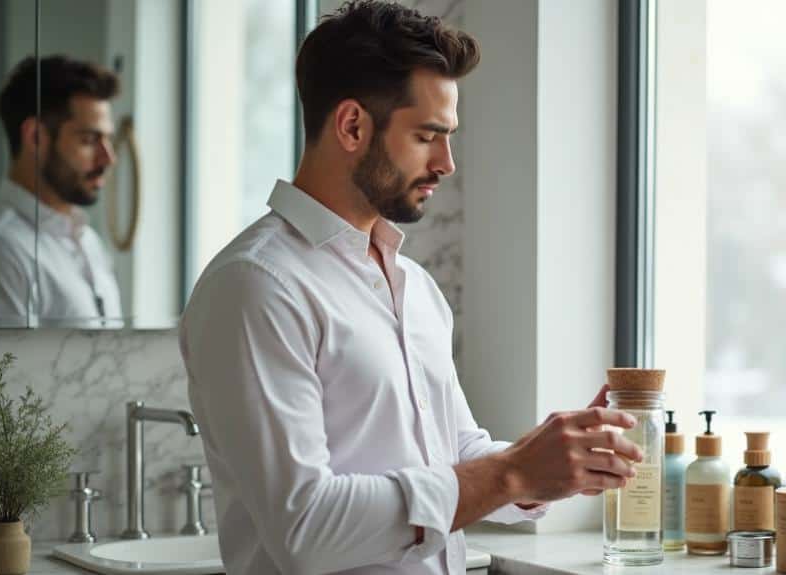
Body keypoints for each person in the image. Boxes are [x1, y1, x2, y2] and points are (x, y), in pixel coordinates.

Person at [179, 2, 642, 574]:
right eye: (427, 136)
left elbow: (458, 452)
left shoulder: (414, 287)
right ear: (352, 126)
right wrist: (512, 473)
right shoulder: (256, 287)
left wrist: (550, 463)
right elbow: (305, 527)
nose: (447, 163)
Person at [0, 55, 122, 325]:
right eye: (89, 139)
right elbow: (0, 356)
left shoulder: (88, 241)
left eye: (107, 139)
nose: (108, 158)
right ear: (35, 137)